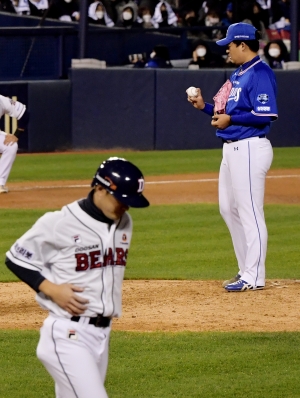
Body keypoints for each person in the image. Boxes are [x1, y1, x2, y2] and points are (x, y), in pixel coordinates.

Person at [5, 156, 149, 397]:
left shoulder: (125, 223)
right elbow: (16, 258)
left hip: (102, 336)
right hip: (67, 335)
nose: (126, 207)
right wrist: (50, 288)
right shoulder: (60, 222)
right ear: (100, 188)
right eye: (121, 200)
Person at [186, 23, 278, 292]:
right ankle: (245, 270)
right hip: (232, 148)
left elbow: (266, 114)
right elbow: (223, 113)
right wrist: (205, 108)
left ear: (243, 44)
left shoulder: (260, 73)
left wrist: (231, 118)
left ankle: (254, 276)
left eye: (229, 44)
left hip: (250, 147)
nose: (226, 48)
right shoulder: (238, 74)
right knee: (228, 209)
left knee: (249, 211)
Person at [0, 95, 27, 194]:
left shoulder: (1, 100)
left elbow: (24, 114)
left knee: (11, 145)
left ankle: (0, 183)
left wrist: (16, 135)